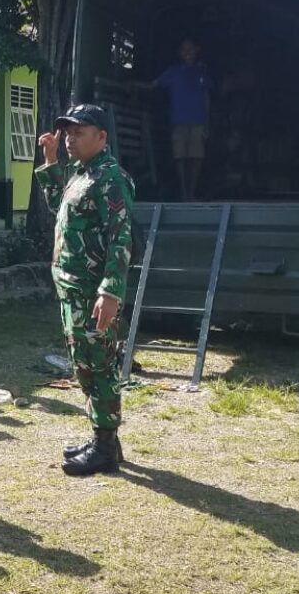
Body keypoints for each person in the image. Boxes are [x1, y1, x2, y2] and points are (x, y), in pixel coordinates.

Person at [35, 104, 137, 476]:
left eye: (79, 132)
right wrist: (49, 161)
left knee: (100, 365)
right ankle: (103, 438)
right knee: (85, 367)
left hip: (93, 294)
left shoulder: (110, 178)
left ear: (102, 137)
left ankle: (105, 448)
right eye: (67, 132)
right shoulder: (81, 174)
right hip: (73, 292)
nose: (69, 138)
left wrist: (110, 292)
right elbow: (59, 209)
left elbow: (121, 239)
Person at [134, 37, 212, 201]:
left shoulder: (201, 73)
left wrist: (207, 123)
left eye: (190, 49)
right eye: (184, 50)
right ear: (179, 53)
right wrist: (135, 85)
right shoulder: (173, 72)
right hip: (179, 121)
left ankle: (192, 192)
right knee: (180, 158)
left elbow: (206, 99)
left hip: (198, 121)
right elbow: (153, 85)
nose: (188, 53)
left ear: (197, 50)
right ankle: (185, 193)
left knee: (196, 158)